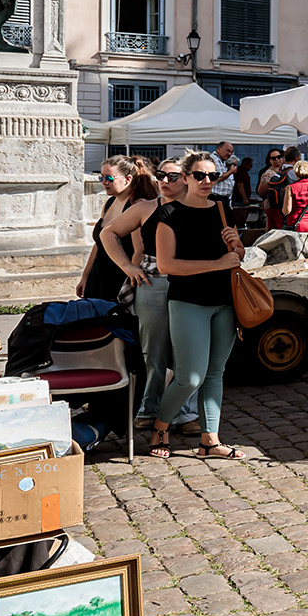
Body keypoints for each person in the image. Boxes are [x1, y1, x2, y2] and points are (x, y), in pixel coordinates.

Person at [151, 150, 243, 460]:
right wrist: (217, 263)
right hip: (188, 300)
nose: (207, 181)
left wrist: (237, 244)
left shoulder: (222, 208)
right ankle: (160, 426)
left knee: (215, 373)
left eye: (212, 176)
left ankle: (210, 441)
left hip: (225, 301)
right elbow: (167, 265)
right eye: (200, 175)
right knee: (190, 376)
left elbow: (237, 255)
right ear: (186, 177)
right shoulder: (169, 214)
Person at [101, 157, 180, 428]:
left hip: (190, 285)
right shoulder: (146, 207)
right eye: (162, 175)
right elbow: (107, 234)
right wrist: (128, 267)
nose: (165, 181)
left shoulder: (203, 208)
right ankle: (150, 409)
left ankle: (186, 413)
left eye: (173, 176)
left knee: (186, 353)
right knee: (153, 353)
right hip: (153, 284)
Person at [78, 156, 158, 302]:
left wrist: (129, 282)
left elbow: (138, 250)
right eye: (101, 177)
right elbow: (99, 244)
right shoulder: (109, 203)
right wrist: (85, 276)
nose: (104, 182)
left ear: (127, 179)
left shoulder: (136, 206)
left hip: (118, 278)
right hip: (98, 276)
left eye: (109, 178)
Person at [281, 160, 308, 245]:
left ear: (296, 173)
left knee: (297, 252)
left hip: (296, 223)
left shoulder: (290, 188)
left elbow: (287, 210)